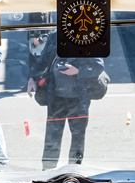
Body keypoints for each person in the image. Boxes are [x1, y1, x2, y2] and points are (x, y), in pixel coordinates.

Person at [29, 31, 109, 168]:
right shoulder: (55, 36)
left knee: (78, 138)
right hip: (56, 97)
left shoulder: (89, 37)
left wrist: (78, 71)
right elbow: (43, 60)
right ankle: (48, 171)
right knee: (52, 137)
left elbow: (98, 66)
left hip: (78, 98)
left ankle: (75, 169)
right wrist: (32, 78)